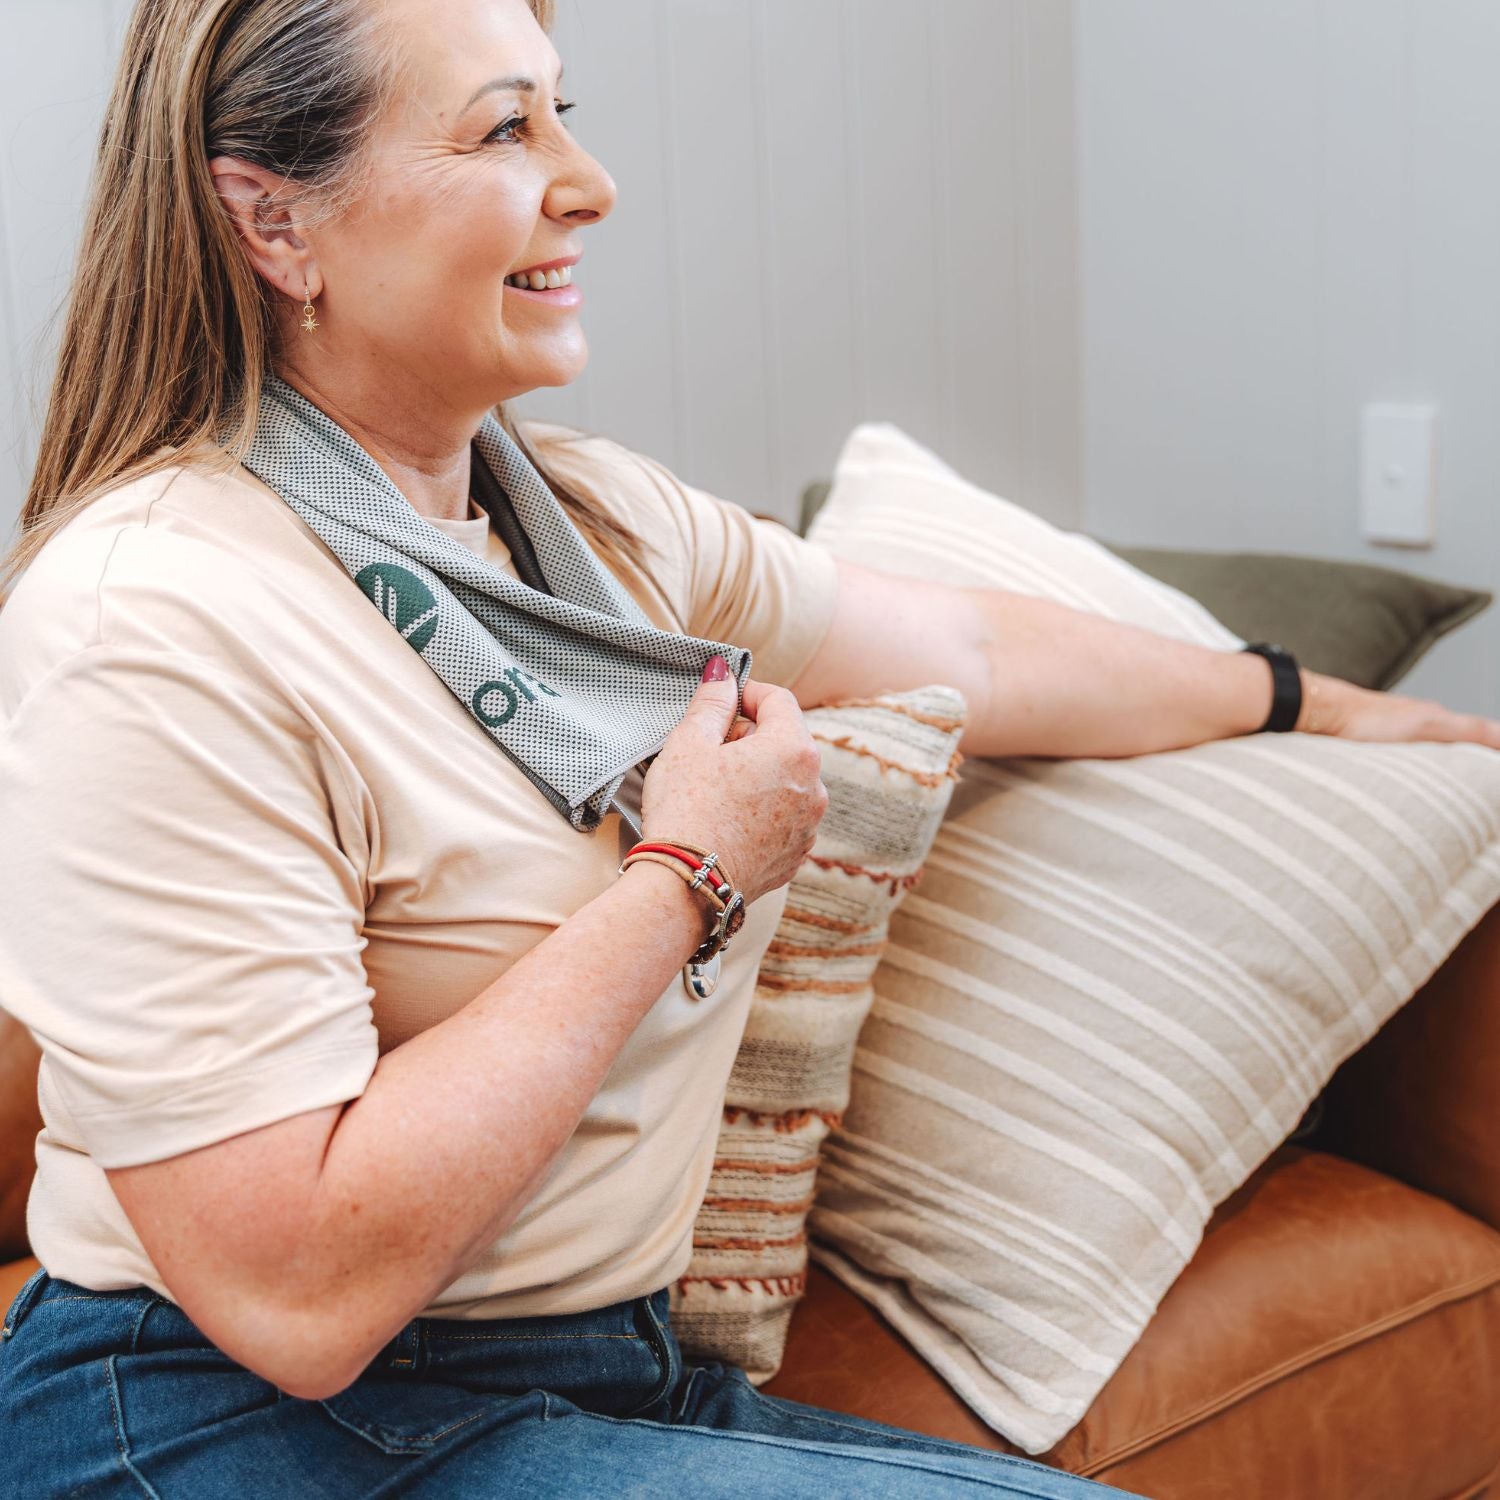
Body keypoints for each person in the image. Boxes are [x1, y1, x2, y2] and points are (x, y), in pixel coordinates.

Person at [1, 1, 1496, 1495]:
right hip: (213, 1422)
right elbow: (293, 1298)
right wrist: (688, 874)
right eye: (507, 127)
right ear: (272, 222)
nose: (588, 182)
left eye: (566, 114)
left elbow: (974, 653)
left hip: (605, 1382)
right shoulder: (152, 619)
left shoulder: (593, 531)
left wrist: (1319, 701)